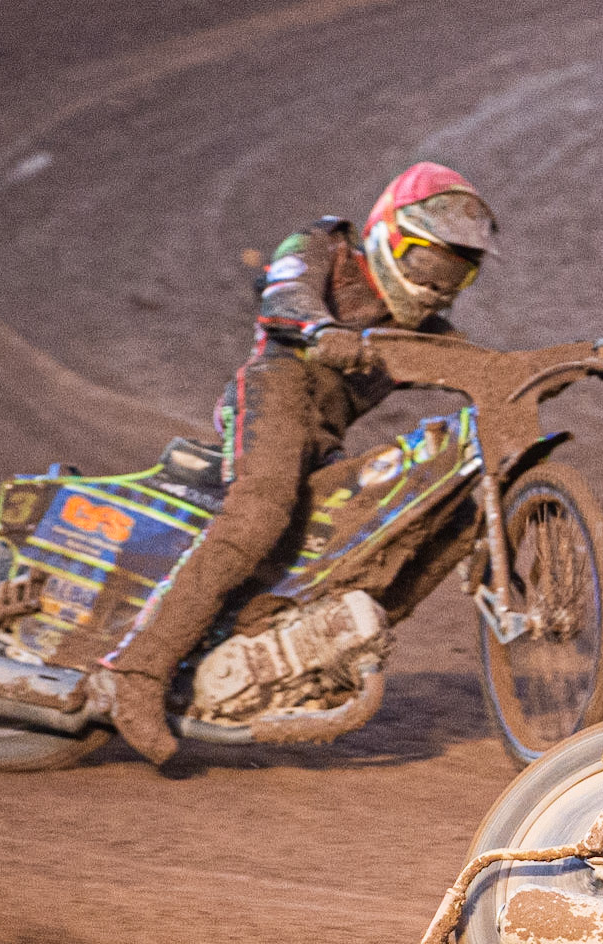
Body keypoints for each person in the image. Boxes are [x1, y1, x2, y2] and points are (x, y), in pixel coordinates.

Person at [107, 162, 498, 764]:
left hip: (325, 436)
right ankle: (139, 671)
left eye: (456, 271)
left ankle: (283, 651)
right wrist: (321, 329)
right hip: (276, 390)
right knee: (262, 511)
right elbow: (284, 296)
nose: (439, 284)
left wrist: (577, 361)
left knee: (413, 528)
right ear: (388, 235)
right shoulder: (323, 246)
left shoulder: (425, 330)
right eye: (429, 262)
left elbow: (492, 370)